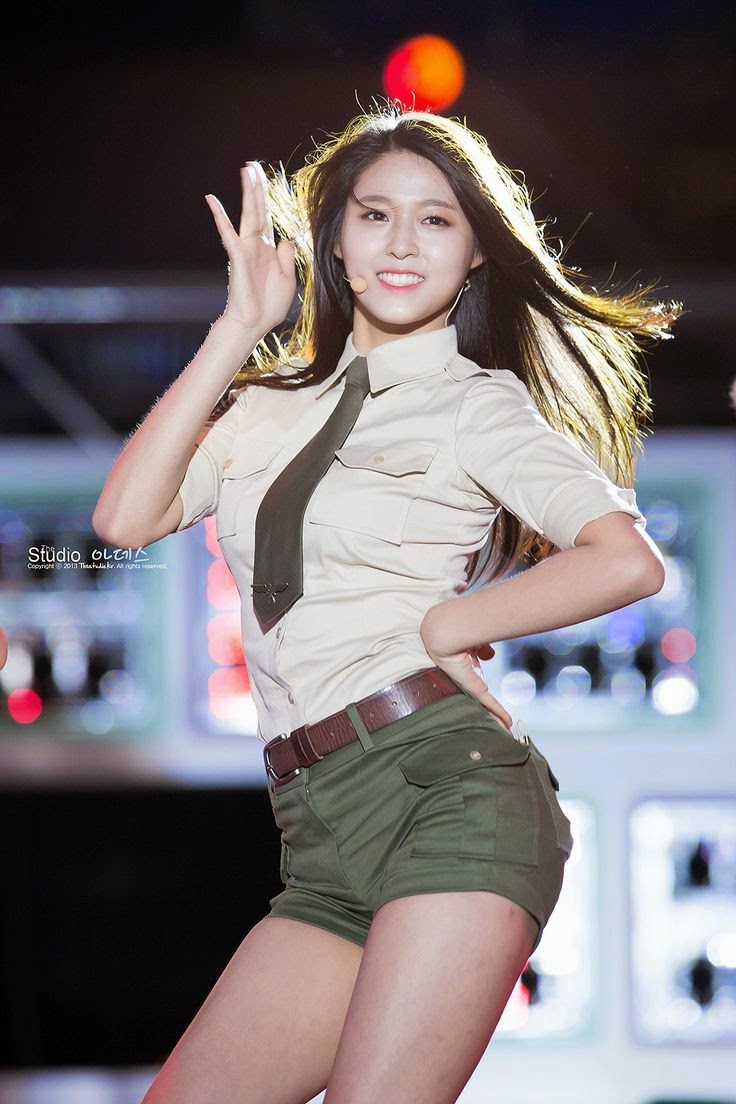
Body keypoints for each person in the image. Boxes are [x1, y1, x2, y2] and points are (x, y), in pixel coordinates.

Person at [93, 102, 679, 1104]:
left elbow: (625, 561)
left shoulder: (478, 404)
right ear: (336, 241)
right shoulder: (266, 405)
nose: (402, 243)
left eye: (436, 220)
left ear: (475, 253)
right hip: (317, 827)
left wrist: (451, 625)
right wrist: (237, 328)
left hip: (448, 794)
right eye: (375, 215)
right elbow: (123, 519)